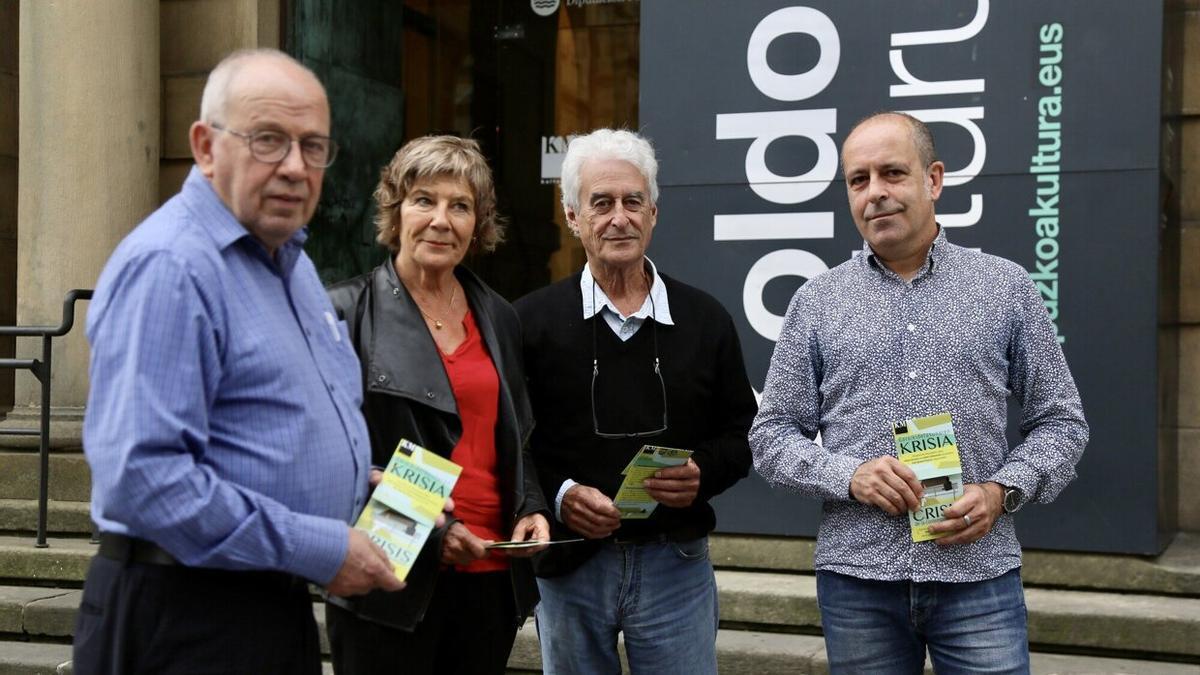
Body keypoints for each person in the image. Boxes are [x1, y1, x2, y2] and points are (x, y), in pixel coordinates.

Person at [75, 49, 406, 675]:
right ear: (205, 146)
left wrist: (364, 485)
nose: (294, 167)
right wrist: (320, 546)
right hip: (185, 616)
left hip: (265, 608)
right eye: (268, 140)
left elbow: (270, 431)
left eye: (313, 147)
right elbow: (147, 479)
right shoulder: (172, 267)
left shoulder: (293, 265)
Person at [750, 111, 1089, 674]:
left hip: (976, 573)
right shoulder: (816, 301)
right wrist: (848, 475)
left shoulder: (1005, 287)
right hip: (858, 579)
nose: (875, 193)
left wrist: (1003, 491)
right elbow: (771, 436)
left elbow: (1062, 421)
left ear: (933, 179)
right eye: (859, 180)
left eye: (892, 173)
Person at [515, 128, 757, 674]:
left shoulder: (705, 320)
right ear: (573, 216)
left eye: (632, 202)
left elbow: (746, 433)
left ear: (654, 212)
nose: (618, 218)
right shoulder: (528, 323)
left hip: (676, 561)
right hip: (572, 564)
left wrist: (703, 472)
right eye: (601, 203)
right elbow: (511, 440)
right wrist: (557, 494)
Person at [325, 135, 550, 675]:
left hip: (491, 575)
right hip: (391, 578)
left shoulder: (499, 316)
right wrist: (433, 532)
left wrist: (532, 505)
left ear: (479, 225)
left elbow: (516, 436)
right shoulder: (344, 312)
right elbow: (325, 459)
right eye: (424, 199)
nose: (441, 220)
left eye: (461, 206)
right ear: (395, 210)